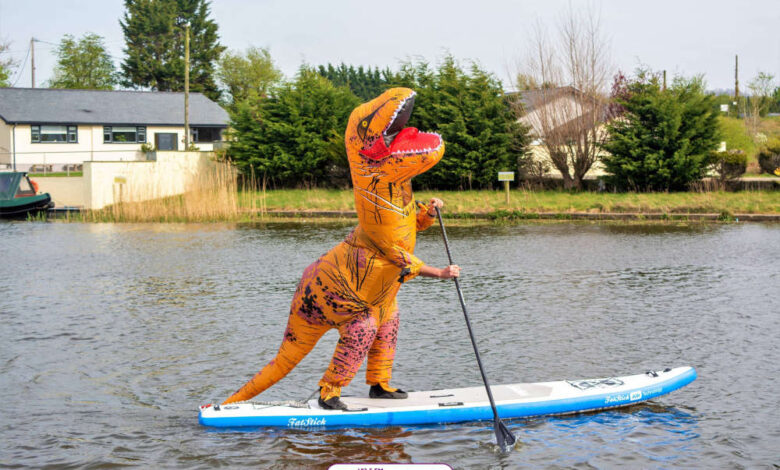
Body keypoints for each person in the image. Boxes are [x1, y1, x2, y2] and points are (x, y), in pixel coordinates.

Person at [223, 88, 457, 410]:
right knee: (364, 325)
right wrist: (440, 273)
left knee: (388, 317)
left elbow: (409, 225)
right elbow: (398, 254)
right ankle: (329, 392)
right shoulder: (374, 204)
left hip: (375, 291)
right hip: (334, 291)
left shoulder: (395, 191)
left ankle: (379, 383)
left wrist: (428, 213)